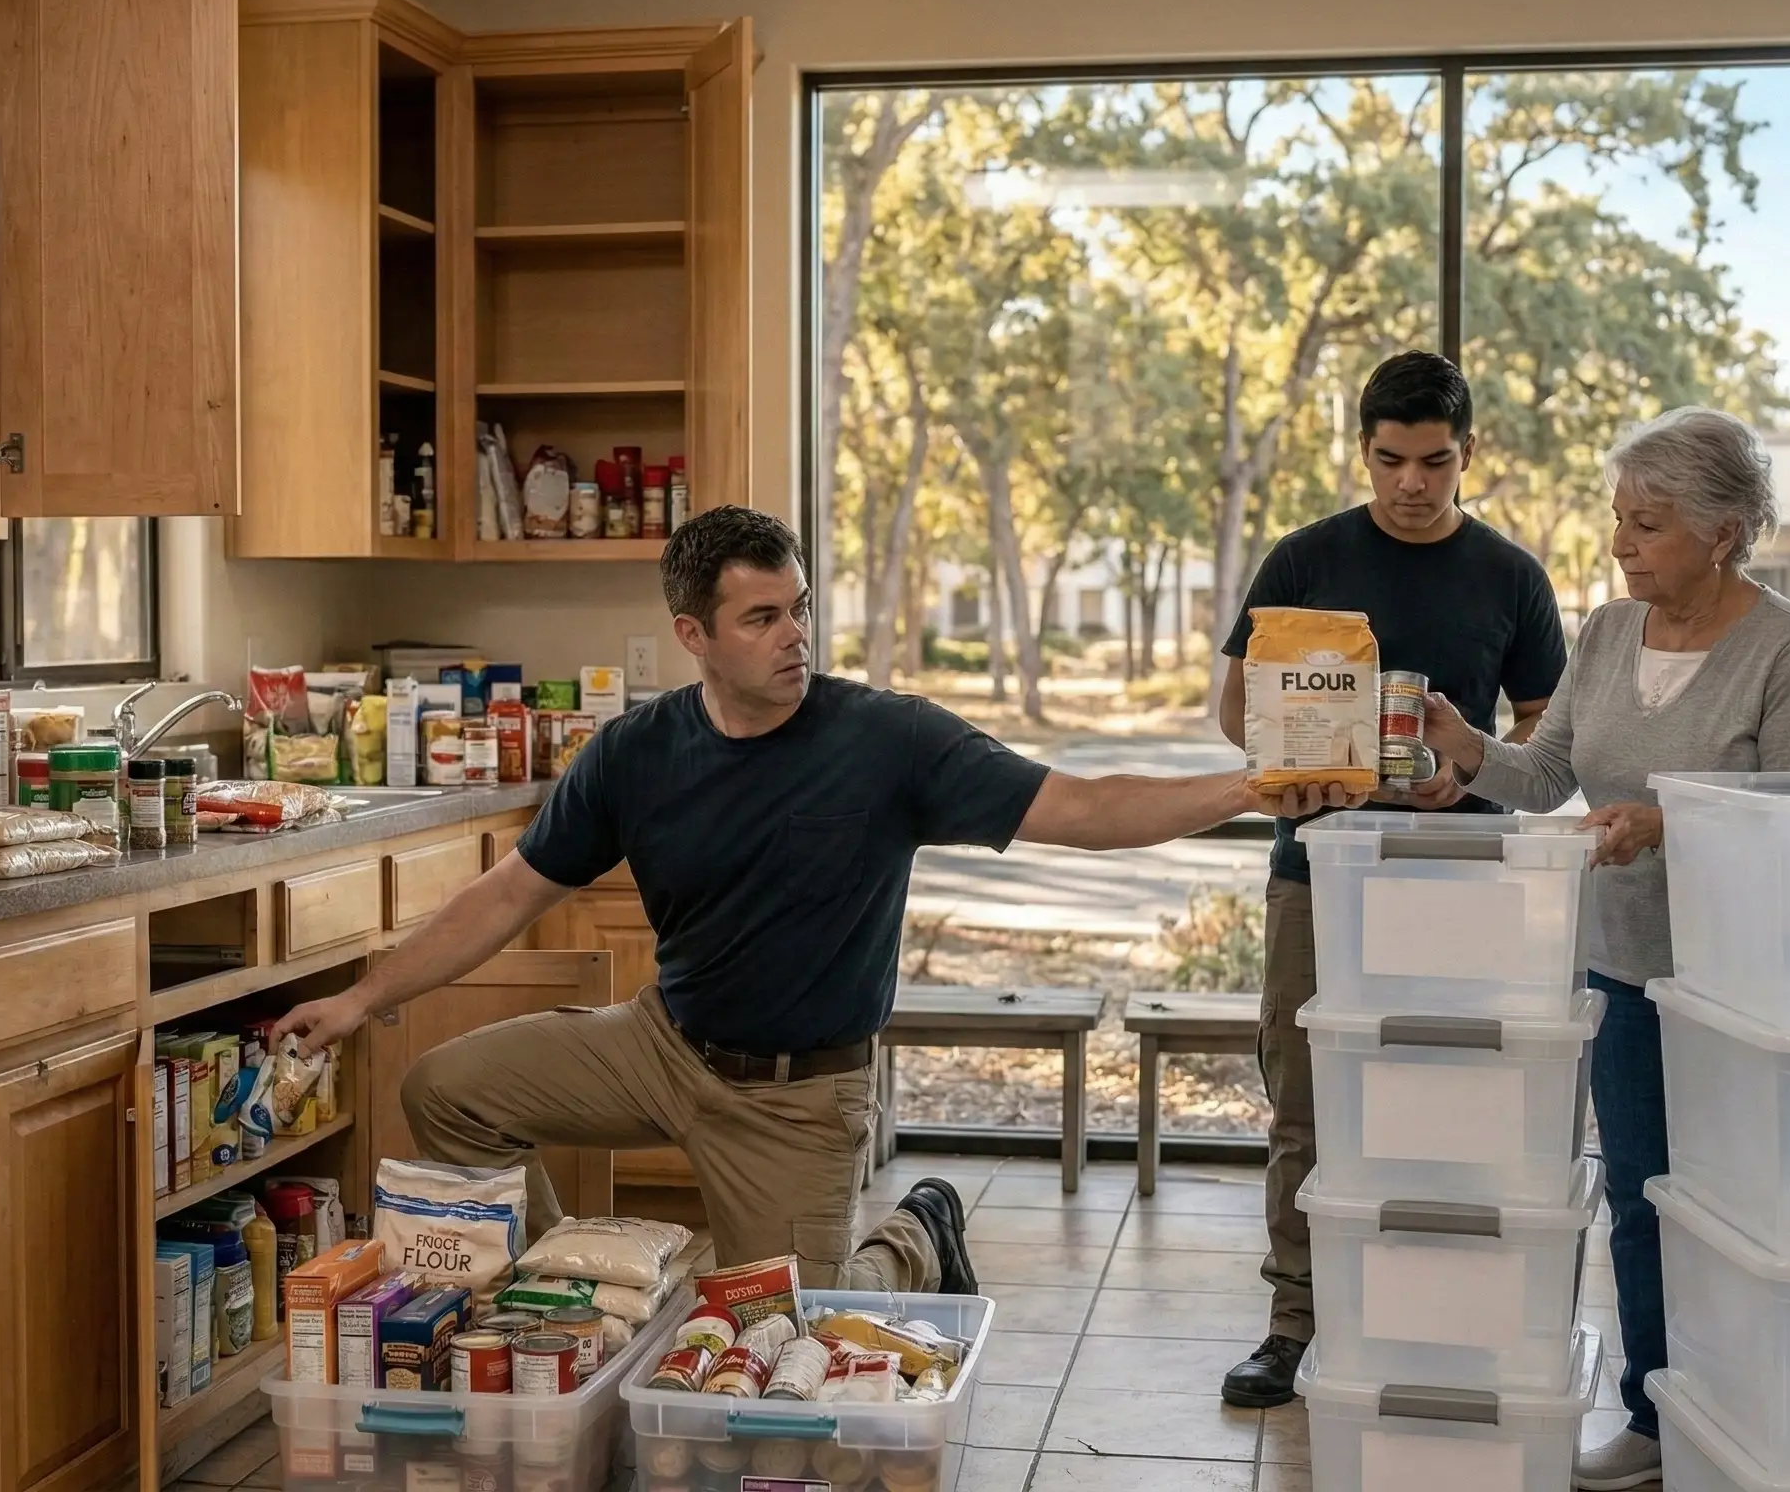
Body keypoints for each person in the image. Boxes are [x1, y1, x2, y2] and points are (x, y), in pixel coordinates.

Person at [281, 507, 1334, 1298]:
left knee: (786, 1346)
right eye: (761, 617)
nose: (794, 635)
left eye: (799, 610)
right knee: (447, 1091)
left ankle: (914, 1240)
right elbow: (509, 891)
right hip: (660, 1045)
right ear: (693, 634)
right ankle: (573, 1287)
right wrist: (362, 999)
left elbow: (1086, 806)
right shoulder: (635, 752)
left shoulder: (887, 740)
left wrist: (1249, 789)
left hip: (798, 1095)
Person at [1422, 405, 1790, 1491]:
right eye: (1618, 520)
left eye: (1646, 525)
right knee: (1643, 1202)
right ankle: (1656, 1415)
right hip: (1620, 968)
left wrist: (1668, 823)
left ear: (1724, 532)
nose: (1620, 544)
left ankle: (1750, 1414)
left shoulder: (1789, 652)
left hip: (1744, 990)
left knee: (1745, 1214)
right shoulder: (1610, 633)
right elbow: (1544, 777)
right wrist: (1464, 746)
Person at [1211, 350, 1569, 1408]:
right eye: (1389, 460)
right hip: (1315, 872)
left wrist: (1472, 765)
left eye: (1434, 461)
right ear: (1361, 450)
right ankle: (1294, 1323)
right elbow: (1235, 708)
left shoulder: (1511, 576)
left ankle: (1437, 1318)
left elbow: (1542, 729)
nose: (1412, 483)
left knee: (1452, 1102)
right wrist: (1302, 756)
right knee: (1305, 1103)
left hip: (1463, 877)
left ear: (1468, 453)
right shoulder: (1304, 559)